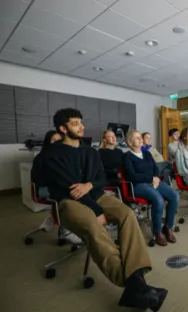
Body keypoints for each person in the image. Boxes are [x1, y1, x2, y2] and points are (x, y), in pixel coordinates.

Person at [41, 108, 167, 310]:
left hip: (96, 195)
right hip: (69, 202)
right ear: (63, 129)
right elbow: (73, 190)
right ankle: (131, 283)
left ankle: (136, 278)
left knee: (127, 214)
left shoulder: (90, 151)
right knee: (93, 224)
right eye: (75, 124)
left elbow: (101, 178)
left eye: (81, 122)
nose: (81, 127)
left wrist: (90, 185)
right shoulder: (53, 154)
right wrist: (96, 210)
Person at [122, 130, 179, 246]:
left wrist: (157, 177)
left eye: (140, 137)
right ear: (129, 142)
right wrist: (151, 178)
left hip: (154, 182)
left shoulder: (147, 154)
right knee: (158, 200)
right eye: (136, 137)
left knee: (174, 195)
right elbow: (132, 176)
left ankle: (168, 227)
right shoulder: (126, 157)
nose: (140, 139)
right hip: (138, 185)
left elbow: (155, 168)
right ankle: (157, 231)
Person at [31, 130, 82, 245]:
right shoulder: (41, 157)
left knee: (74, 191)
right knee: (68, 196)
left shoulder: (64, 157)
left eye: (60, 141)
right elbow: (36, 178)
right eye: (54, 140)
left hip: (60, 189)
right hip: (43, 189)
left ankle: (51, 220)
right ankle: (66, 232)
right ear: (48, 142)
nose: (57, 143)